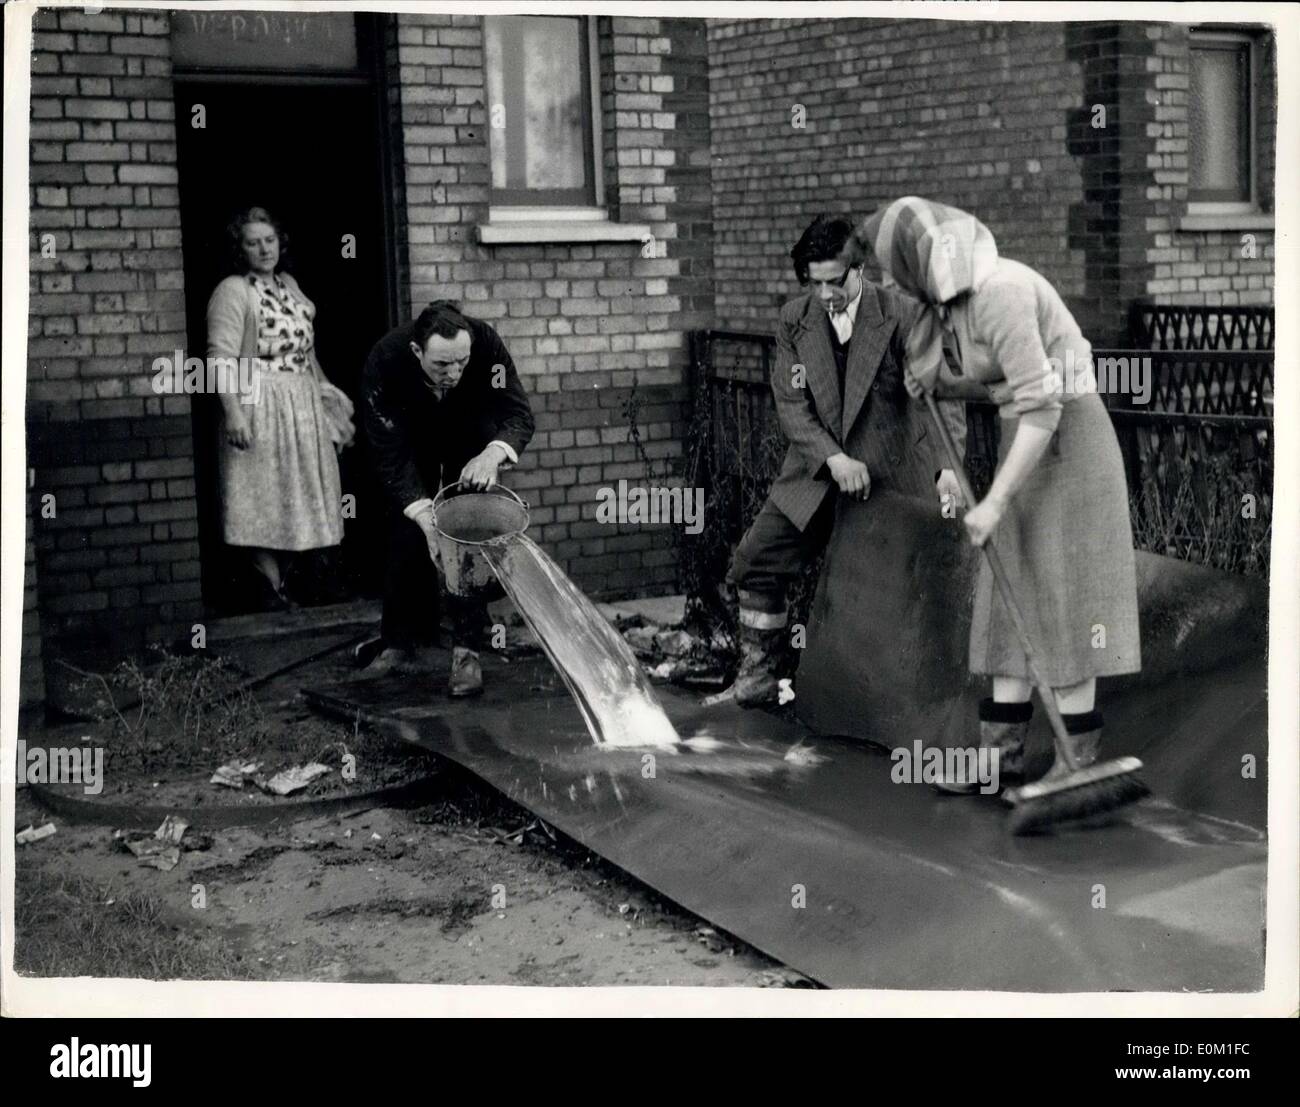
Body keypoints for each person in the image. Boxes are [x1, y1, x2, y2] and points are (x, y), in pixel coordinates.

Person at [856, 196, 1141, 791]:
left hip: (1068, 446)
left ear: (919, 261)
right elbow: (1004, 388)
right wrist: (943, 385)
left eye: (892, 271)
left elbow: (1043, 405)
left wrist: (994, 502)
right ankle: (999, 757)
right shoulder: (955, 305)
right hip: (1028, 444)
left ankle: (1077, 763)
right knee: (1009, 596)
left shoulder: (1001, 292)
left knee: (1064, 600)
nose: (891, 285)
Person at [725, 214, 968, 706]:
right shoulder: (795, 320)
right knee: (755, 562)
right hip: (818, 473)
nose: (826, 295)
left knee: (901, 595)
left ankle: (900, 705)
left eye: (835, 282)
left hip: (891, 479)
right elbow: (791, 403)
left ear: (860, 270)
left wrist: (948, 468)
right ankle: (757, 681)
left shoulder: (902, 315)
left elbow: (941, 396)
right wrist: (833, 457)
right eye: (815, 284)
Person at [361, 300, 535, 695]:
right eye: (441, 365)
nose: (454, 373)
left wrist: (492, 454)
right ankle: (399, 643)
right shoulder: (385, 359)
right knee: (408, 527)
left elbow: (517, 413)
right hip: (411, 440)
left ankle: (467, 652)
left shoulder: (486, 344)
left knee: (467, 538)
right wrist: (424, 516)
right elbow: (389, 452)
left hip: (472, 440)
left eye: (461, 362)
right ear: (416, 352)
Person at [206, 206, 355, 612]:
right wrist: (234, 413)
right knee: (262, 494)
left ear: (279, 243)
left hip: (301, 401)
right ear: (241, 250)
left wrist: (327, 397)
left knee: (301, 491)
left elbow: (307, 352)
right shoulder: (233, 291)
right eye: (253, 242)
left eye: (269, 240)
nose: (263, 248)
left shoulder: (289, 284)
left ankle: (296, 585)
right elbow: (219, 357)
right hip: (259, 401)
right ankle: (267, 590)